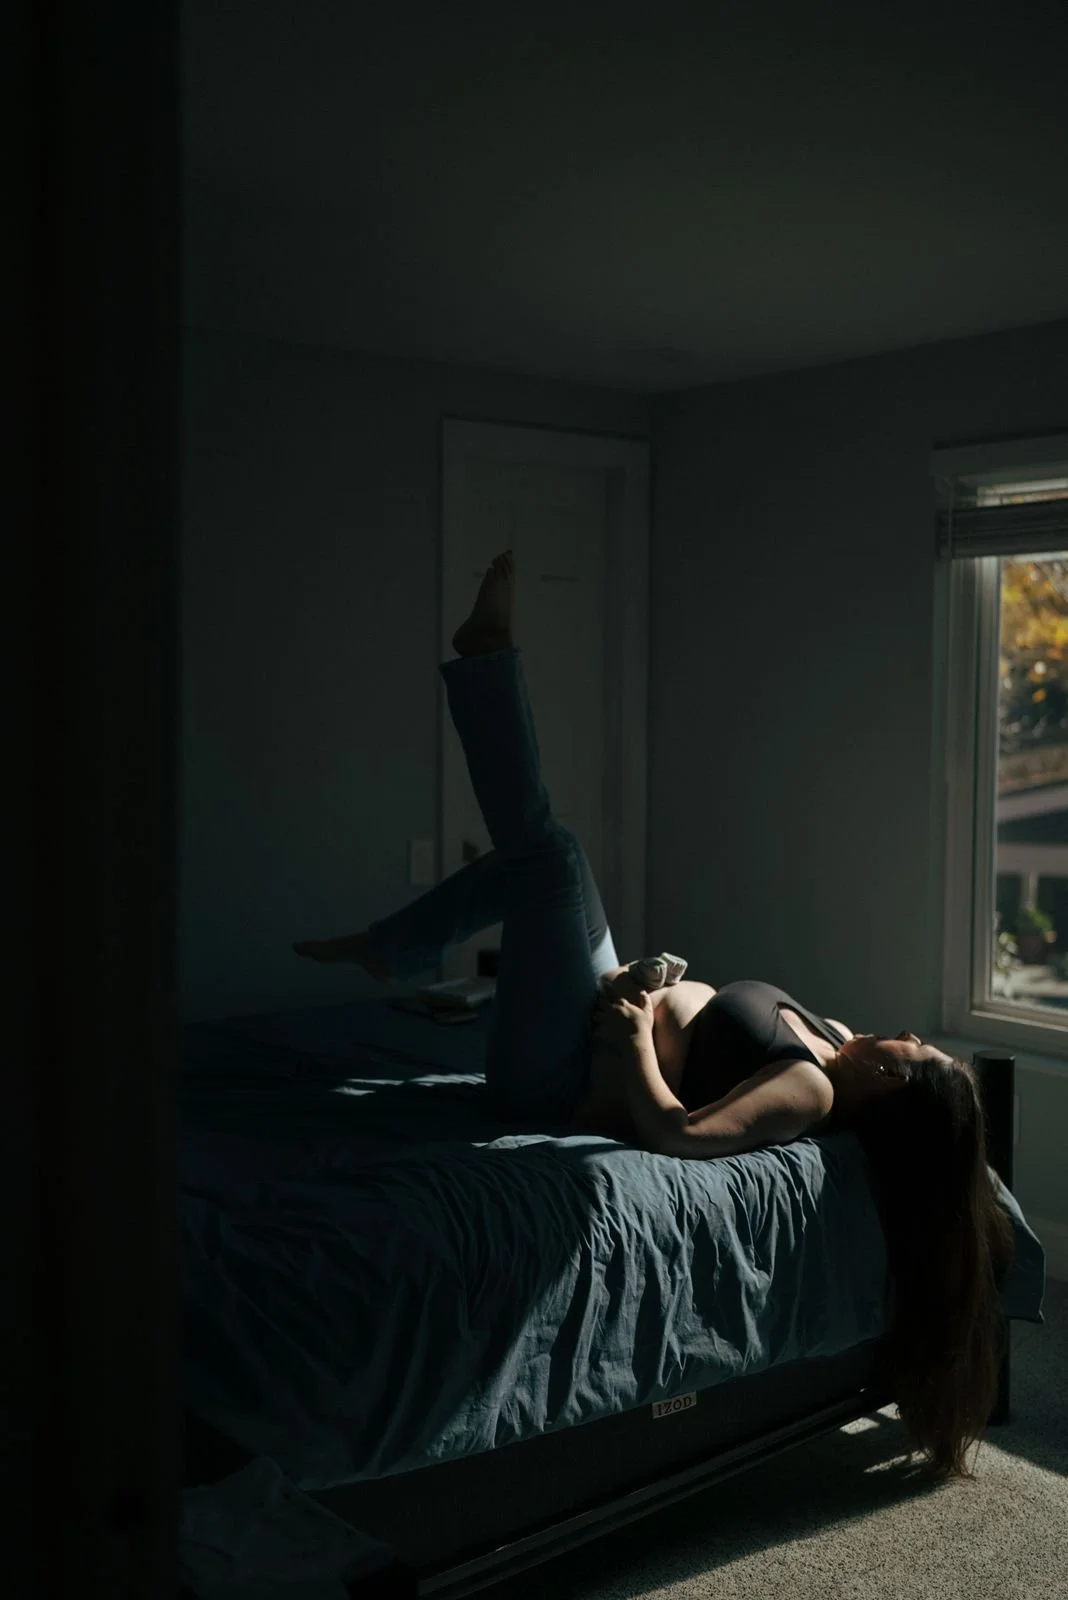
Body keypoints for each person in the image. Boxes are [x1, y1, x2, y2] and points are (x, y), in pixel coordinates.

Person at [295, 549, 1016, 1483]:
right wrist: (660, 985)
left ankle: (480, 676)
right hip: (604, 1008)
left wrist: (638, 1028)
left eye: (918, 1048)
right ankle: (398, 937)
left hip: (554, 1077)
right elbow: (716, 1033)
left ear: (890, 1080)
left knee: (548, 860)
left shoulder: (807, 1091)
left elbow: (677, 1134)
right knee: (543, 862)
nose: (910, 1032)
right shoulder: (832, 1044)